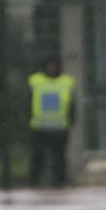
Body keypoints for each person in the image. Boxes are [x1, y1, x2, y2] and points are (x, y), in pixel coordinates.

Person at [28, 56, 77, 187]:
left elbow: (71, 104)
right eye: (49, 65)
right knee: (38, 157)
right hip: (40, 127)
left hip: (60, 127)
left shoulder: (66, 82)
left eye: (54, 65)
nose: (52, 68)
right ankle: (34, 182)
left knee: (59, 158)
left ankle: (60, 182)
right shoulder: (35, 81)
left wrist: (71, 120)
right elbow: (28, 102)